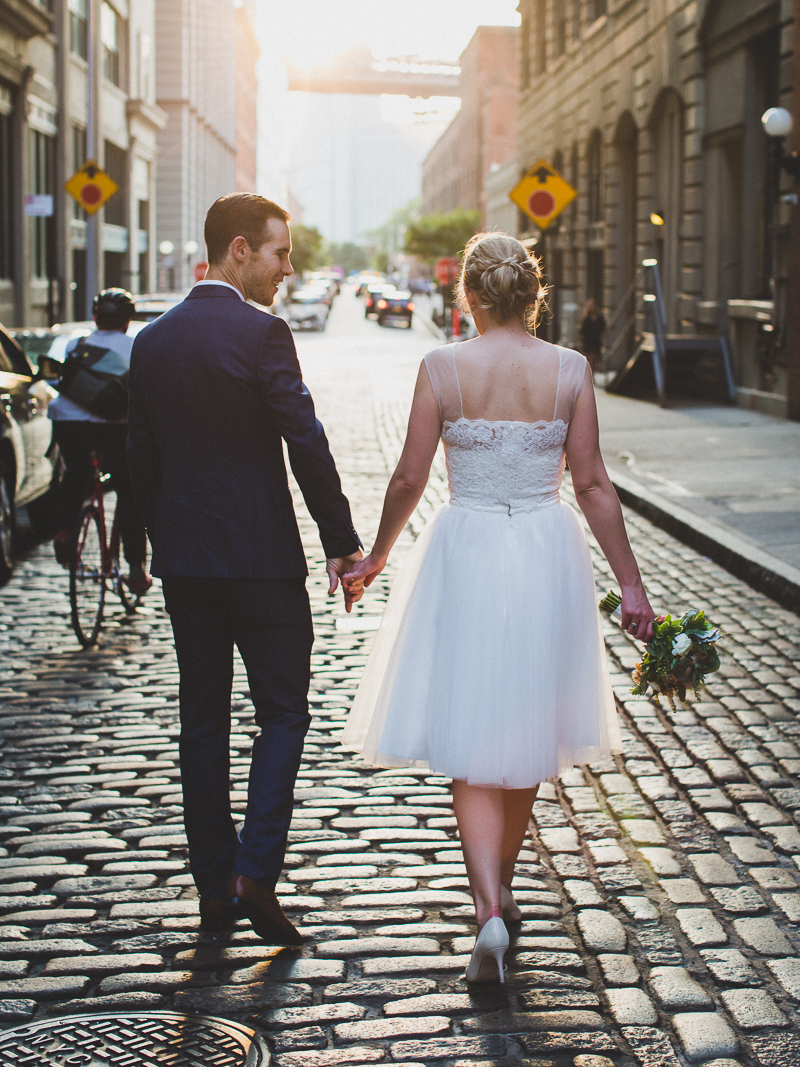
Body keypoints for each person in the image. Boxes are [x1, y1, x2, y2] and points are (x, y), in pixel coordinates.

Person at [342, 232, 655, 984]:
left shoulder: (443, 367)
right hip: (545, 551)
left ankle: (487, 910)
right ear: (534, 297)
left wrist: (378, 554)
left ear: (469, 298)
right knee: (522, 733)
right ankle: (504, 889)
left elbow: (410, 475)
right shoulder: (571, 370)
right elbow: (592, 486)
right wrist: (633, 586)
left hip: (468, 547)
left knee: (470, 730)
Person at [126, 192, 363, 946]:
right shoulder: (262, 334)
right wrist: (341, 541)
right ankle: (254, 874)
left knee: (202, 723)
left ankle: (211, 890)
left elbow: (141, 457)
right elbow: (306, 438)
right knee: (284, 714)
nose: (287, 269)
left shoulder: (153, 341)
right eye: (279, 254)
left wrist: (137, 550)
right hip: (261, 563)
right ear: (237, 251)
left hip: (187, 567)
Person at [50, 288, 151, 594]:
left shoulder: (75, 344)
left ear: (96, 317)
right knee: (129, 491)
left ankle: (66, 531)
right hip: (113, 427)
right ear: (127, 319)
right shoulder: (137, 346)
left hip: (67, 422)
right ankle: (135, 571)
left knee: (75, 475)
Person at [579, 297, 606, 373]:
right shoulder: (586, 318)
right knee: (590, 357)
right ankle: (590, 373)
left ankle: (593, 373)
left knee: (596, 357)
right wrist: (582, 341)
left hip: (596, 340)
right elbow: (583, 331)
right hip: (589, 340)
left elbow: (603, 327)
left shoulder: (600, 317)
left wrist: (602, 335)